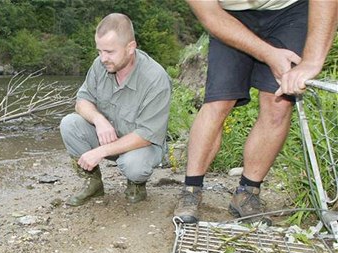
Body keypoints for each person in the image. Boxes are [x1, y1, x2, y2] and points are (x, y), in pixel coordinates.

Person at [174, 0, 338, 224]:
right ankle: (191, 190)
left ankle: (248, 192)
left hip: (289, 10)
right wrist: (268, 54)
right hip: (229, 15)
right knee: (219, 99)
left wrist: (312, 60)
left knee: (278, 101)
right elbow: (210, 15)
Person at [59, 13, 171, 206]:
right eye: (99, 51)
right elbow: (82, 102)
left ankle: (136, 183)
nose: (103, 58)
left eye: (109, 52)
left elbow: (145, 135)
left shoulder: (156, 79)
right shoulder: (100, 65)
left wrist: (100, 152)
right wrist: (98, 120)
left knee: (134, 165)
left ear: (130, 48)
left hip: (143, 145)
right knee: (69, 124)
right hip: (109, 137)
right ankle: (93, 183)